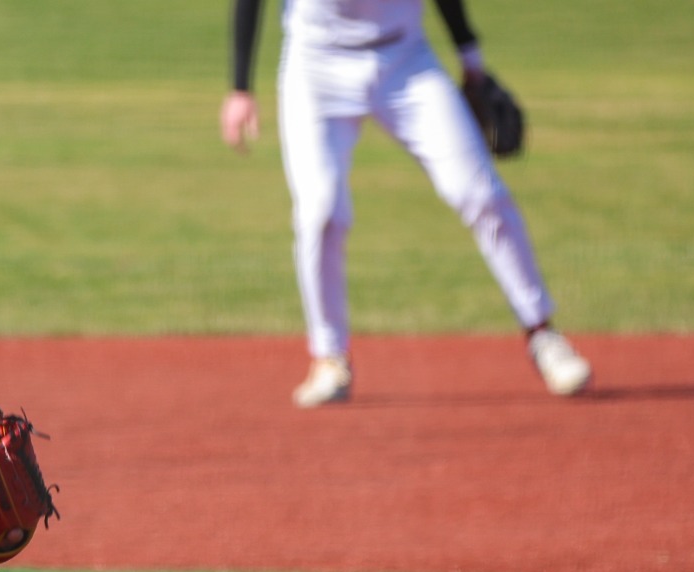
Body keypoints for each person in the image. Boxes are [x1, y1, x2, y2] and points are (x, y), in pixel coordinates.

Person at [222, 0, 593, 406]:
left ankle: (542, 334)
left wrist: (470, 57)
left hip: (405, 60)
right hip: (316, 65)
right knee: (320, 212)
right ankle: (329, 358)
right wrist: (240, 88)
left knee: (480, 193)